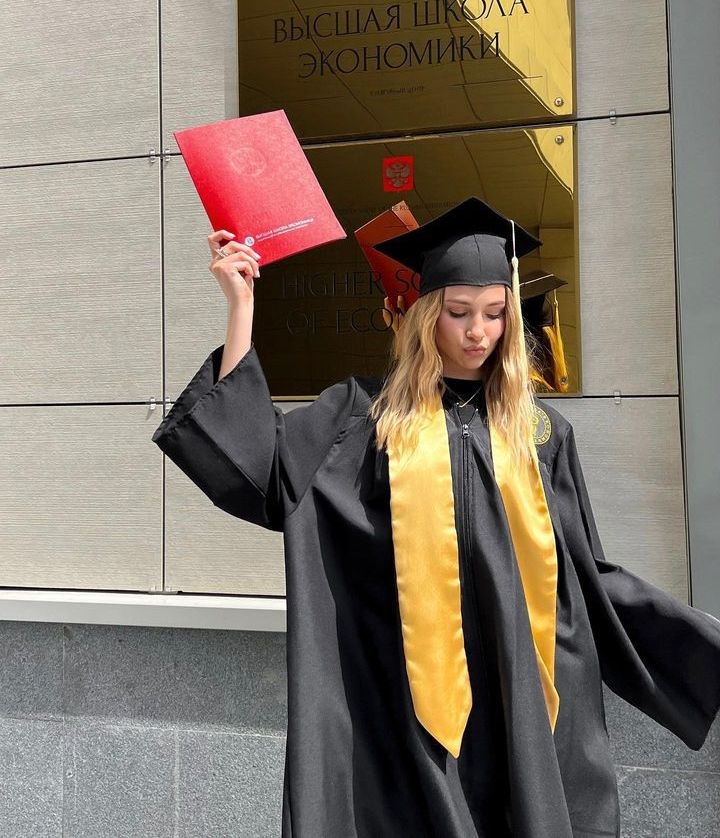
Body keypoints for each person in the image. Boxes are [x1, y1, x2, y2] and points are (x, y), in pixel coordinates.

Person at [151, 197, 720, 838]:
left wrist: (696, 645)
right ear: (426, 316)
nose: (478, 332)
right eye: (458, 313)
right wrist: (241, 307)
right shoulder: (361, 417)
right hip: (405, 709)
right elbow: (262, 470)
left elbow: (585, 574)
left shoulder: (539, 434)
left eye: (495, 314)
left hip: (519, 702)